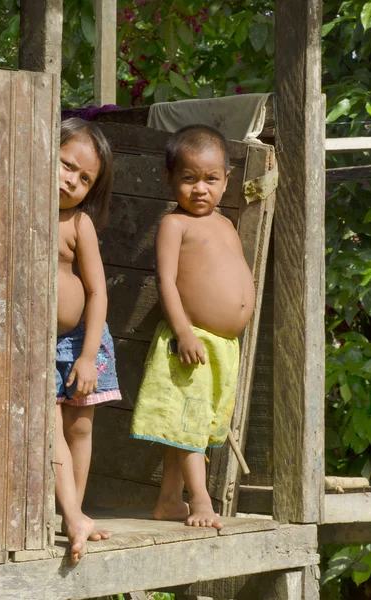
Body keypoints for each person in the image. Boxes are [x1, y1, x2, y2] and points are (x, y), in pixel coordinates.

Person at [131, 124, 255, 530]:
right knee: (190, 421)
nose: (200, 189)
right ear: (169, 179)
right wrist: (183, 330)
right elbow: (165, 281)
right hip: (192, 340)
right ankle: (200, 498)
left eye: (210, 179)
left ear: (226, 180)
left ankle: (169, 499)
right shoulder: (175, 225)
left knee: (191, 423)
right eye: (189, 178)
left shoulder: (226, 224)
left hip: (223, 346)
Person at [56, 118, 121, 562]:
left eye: (85, 179)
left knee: (80, 427)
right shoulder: (14, 201)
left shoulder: (78, 223)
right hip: (31, 344)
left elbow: (97, 291)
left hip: (80, 341)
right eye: (66, 165)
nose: (72, 180)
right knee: (46, 424)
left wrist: (86, 354)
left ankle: (73, 512)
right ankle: (71, 513)